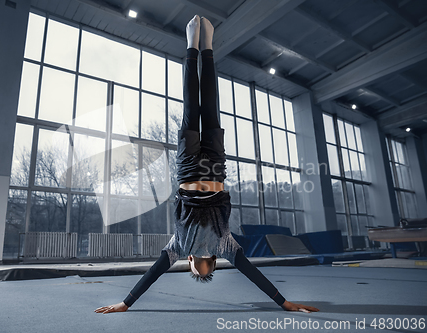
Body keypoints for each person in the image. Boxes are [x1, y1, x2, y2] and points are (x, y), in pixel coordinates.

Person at [95, 15, 319, 315]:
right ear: (198, 261)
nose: (199, 256)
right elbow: (155, 273)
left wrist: (284, 302)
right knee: (195, 106)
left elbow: (252, 274)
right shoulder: (186, 247)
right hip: (193, 169)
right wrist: (126, 302)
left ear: (207, 261)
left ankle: (205, 47)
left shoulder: (224, 248)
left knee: (206, 106)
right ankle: (197, 47)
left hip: (209, 168)